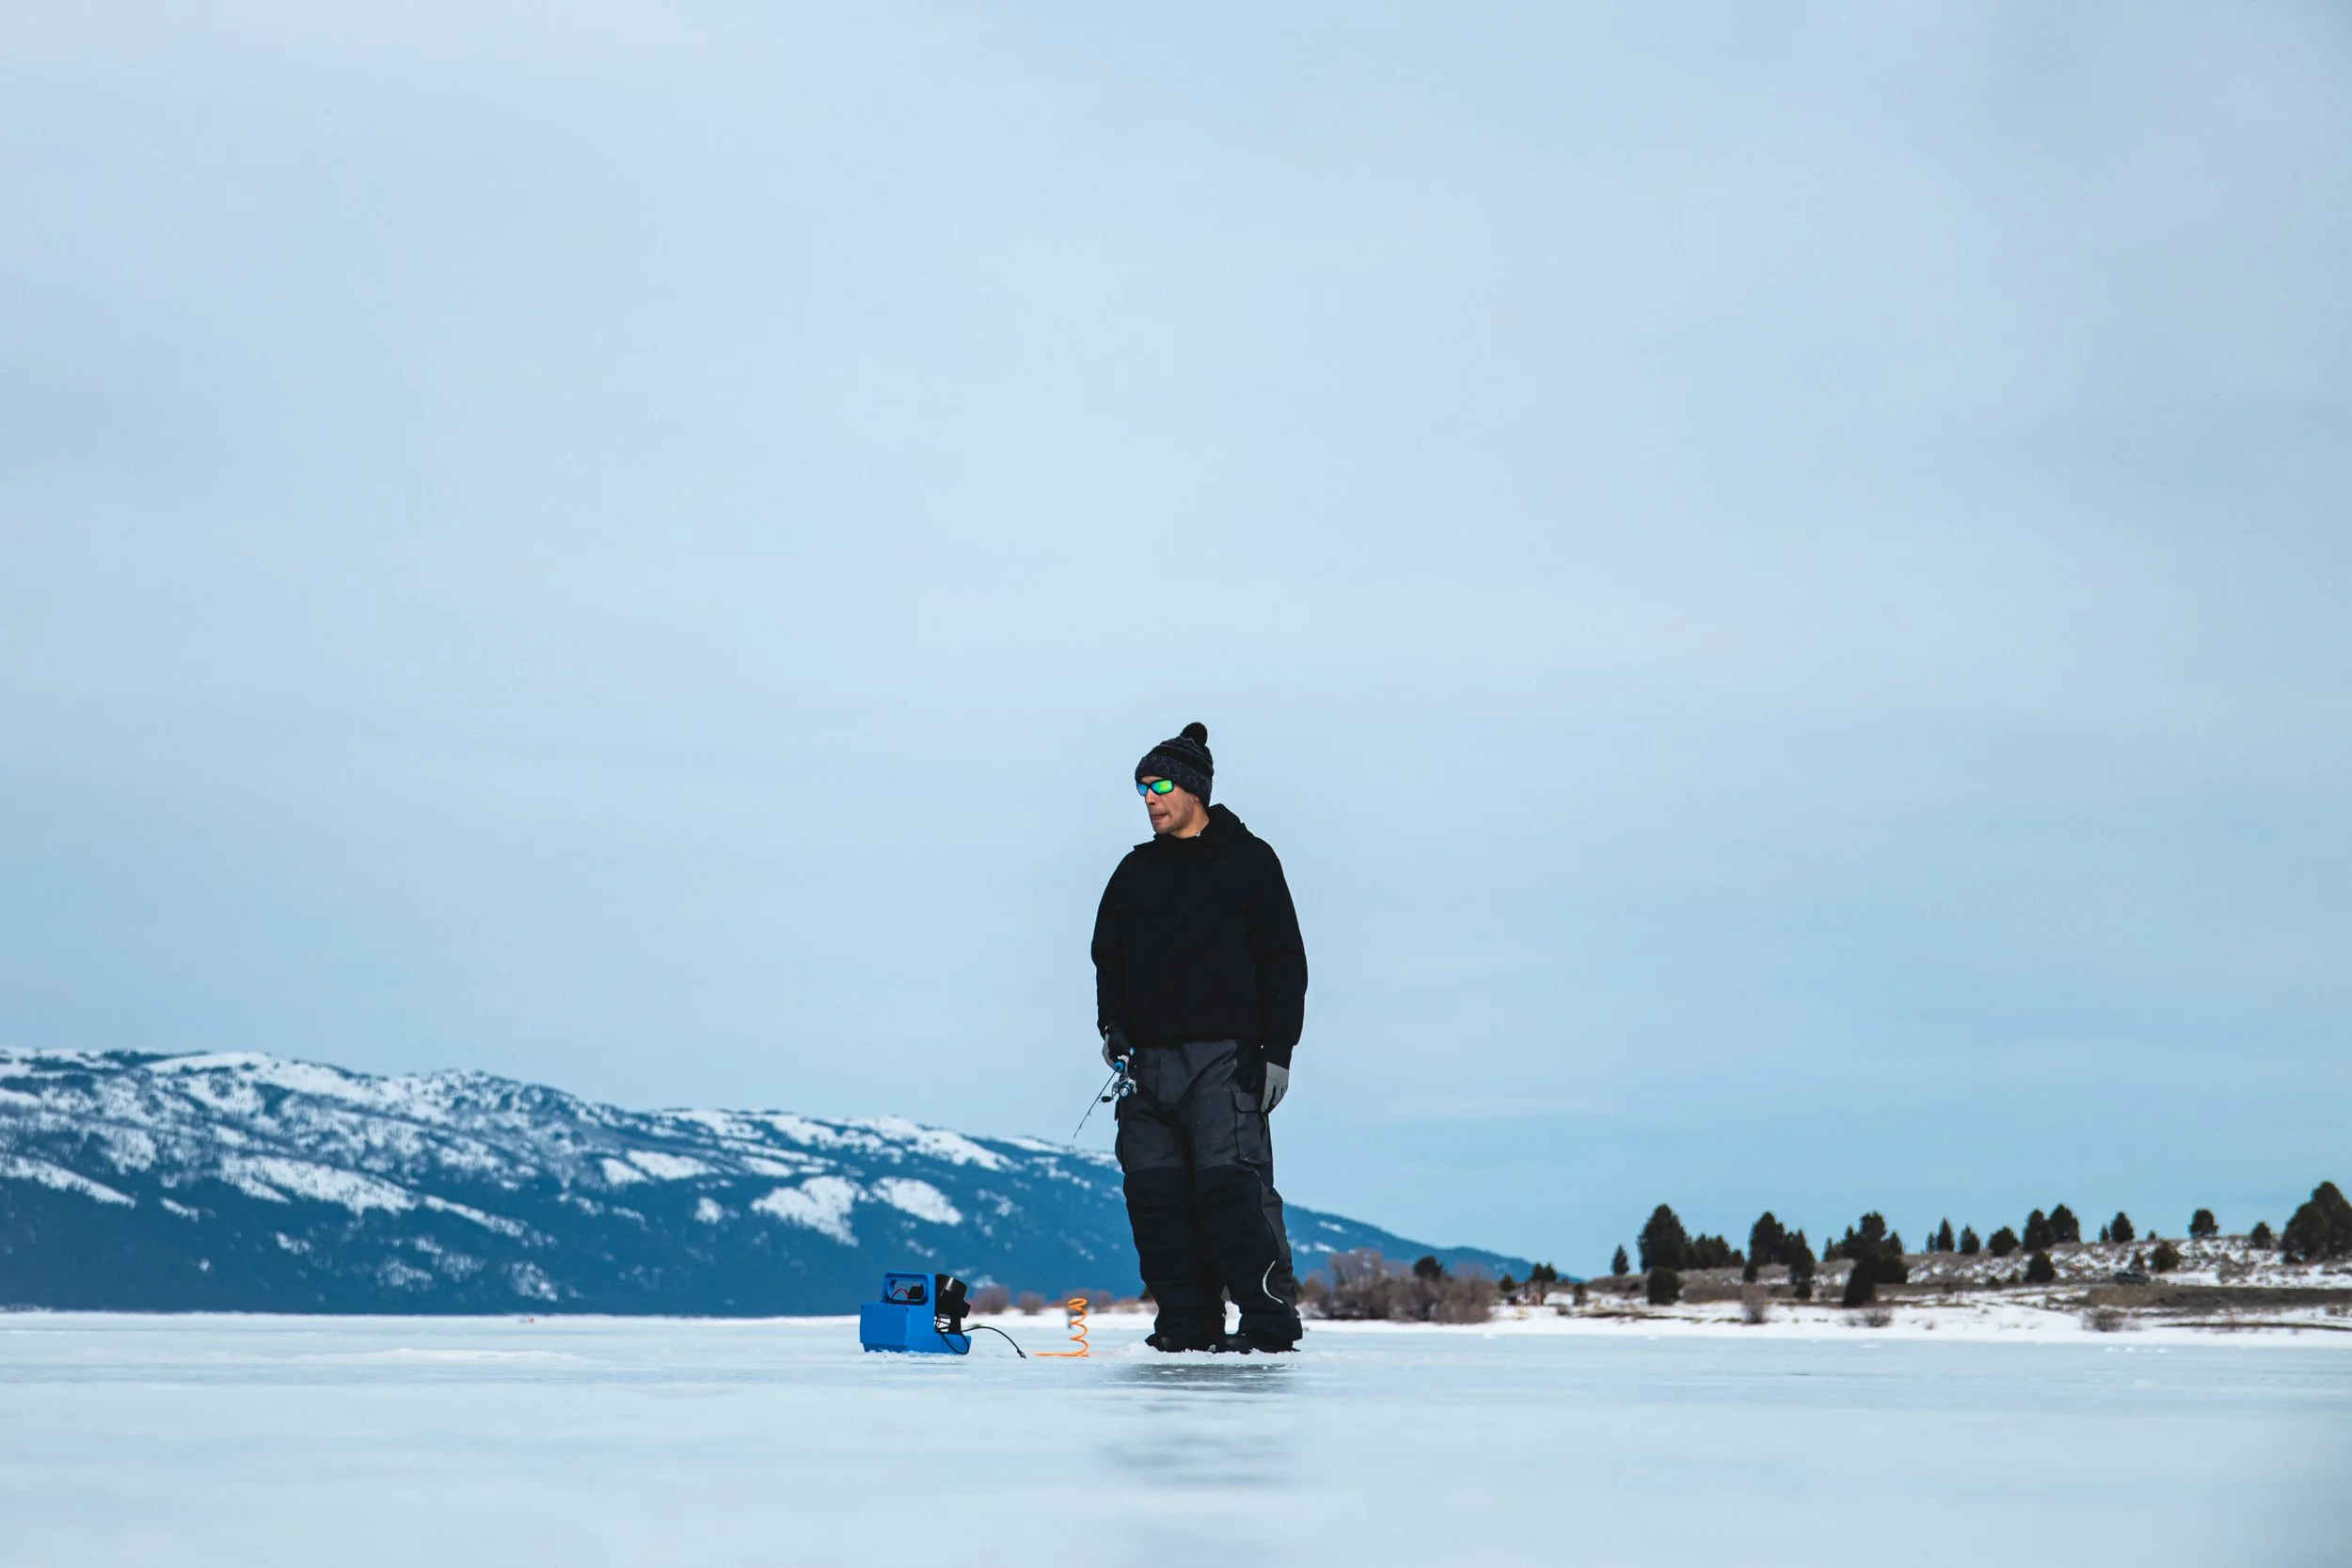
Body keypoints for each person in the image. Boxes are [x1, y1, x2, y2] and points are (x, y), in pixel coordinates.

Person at [1091, 721, 1308, 1353]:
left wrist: (1278, 1051)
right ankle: (1186, 1321)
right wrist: (1114, 1029)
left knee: (1230, 1189)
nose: (1149, 798)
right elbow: (1109, 956)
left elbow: (1283, 960)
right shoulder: (1134, 872)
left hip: (1225, 1058)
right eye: (1141, 787)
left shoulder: (1249, 860)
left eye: (1159, 785)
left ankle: (1268, 1321)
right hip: (1147, 1063)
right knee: (1154, 1194)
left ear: (1193, 788)